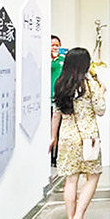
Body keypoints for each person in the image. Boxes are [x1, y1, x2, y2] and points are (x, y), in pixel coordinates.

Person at [51, 47, 106, 219]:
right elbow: (101, 110)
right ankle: (78, 217)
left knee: (70, 179)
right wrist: (102, 91)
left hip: (67, 137)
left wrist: (53, 137)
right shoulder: (90, 85)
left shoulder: (61, 84)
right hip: (88, 138)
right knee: (93, 176)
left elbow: (56, 114)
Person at [50, 35, 65, 167]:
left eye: (57, 45)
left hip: (59, 98)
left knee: (58, 130)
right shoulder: (46, 60)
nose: (55, 48)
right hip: (46, 99)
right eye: (52, 45)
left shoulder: (63, 60)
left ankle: (56, 158)